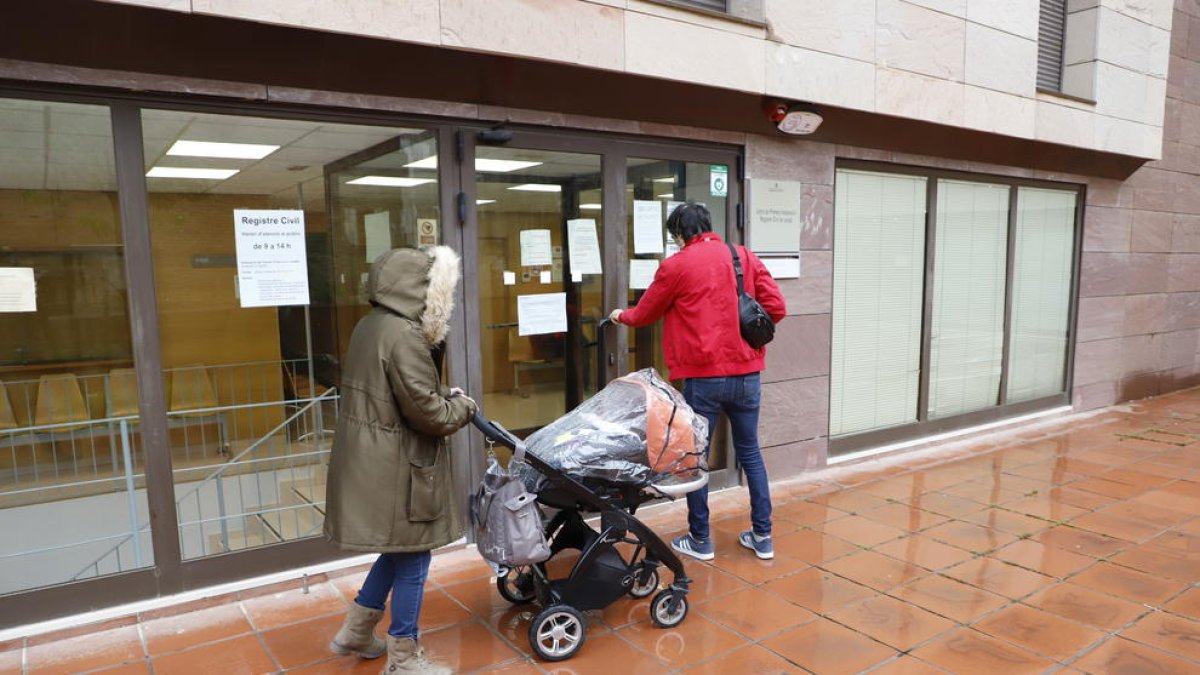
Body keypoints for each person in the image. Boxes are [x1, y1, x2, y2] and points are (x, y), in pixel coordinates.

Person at [325, 246, 477, 675]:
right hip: (396, 466)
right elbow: (428, 414)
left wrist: (442, 394)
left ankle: (356, 632)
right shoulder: (405, 335)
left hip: (372, 458)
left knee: (397, 551)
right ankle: (404, 659)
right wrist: (462, 408)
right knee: (414, 558)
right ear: (422, 291)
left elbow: (399, 392)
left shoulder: (371, 325)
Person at [609, 202, 785, 561]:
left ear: (678, 234)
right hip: (748, 374)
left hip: (704, 379)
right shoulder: (743, 257)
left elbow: (645, 314)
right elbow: (776, 306)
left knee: (696, 460)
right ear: (708, 225)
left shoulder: (676, 265)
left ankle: (701, 539)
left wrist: (620, 316)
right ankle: (763, 537)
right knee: (750, 454)